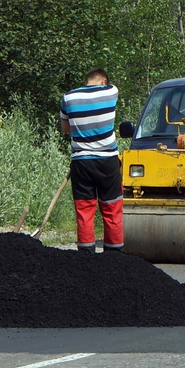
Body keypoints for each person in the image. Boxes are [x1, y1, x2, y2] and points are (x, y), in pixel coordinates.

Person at [59, 68, 124, 253]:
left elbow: (66, 128)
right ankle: (115, 256)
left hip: (81, 161)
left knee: (84, 211)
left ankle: (86, 257)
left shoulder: (67, 98)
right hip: (107, 161)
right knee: (112, 208)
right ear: (104, 80)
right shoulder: (111, 91)